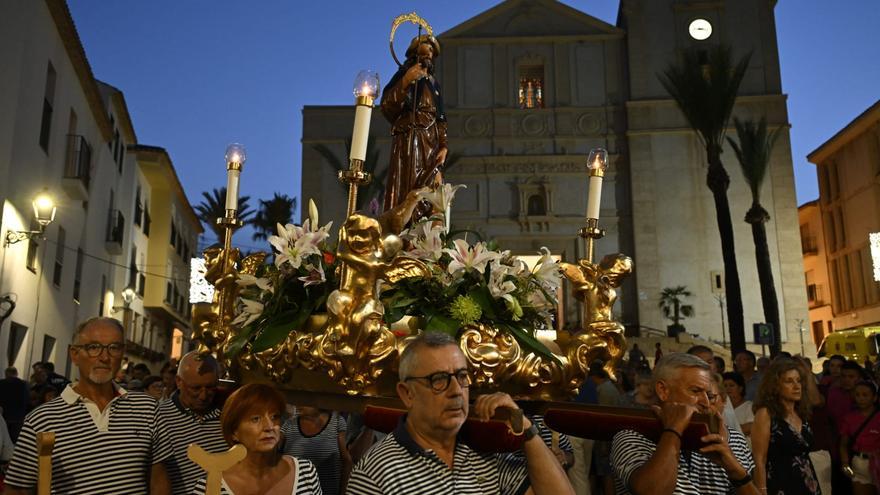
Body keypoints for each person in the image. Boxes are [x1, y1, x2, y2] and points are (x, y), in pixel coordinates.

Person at [347, 331, 573, 494]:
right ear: (407, 394)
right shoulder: (376, 473)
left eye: (462, 376)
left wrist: (523, 425)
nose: (456, 391)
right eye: (439, 380)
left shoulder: (484, 457)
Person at [4, 317, 171, 494]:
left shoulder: (147, 409)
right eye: (93, 347)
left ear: (122, 355)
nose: (105, 357)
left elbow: (159, 481)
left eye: (114, 348)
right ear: (74, 354)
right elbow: (17, 490)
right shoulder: (40, 420)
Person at [610, 353, 756, 494]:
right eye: (695, 391)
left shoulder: (727, 439)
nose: (705, 402)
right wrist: (674, 430)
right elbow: (652, 491)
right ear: (663, 391)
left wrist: (736, 472)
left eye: (709, 395)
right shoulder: (631, 437)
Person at [191, 383, 322, 494]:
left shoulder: (306, 472)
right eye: (256, 419)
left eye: (274, 417)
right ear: (234, 432)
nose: (269, 427)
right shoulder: (209, 487)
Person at [381, 34, 448, 212]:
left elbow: (441, 118)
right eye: (425, 51)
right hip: (409, 141)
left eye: (432, 52)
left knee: (430, 189)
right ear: (414, 53)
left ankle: (427, 232)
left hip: (430, 143)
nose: (429, 55)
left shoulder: (434, 85)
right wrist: (406, 81)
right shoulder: (404, 75)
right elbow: (388, 105)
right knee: (408, 187)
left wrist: (443, 145)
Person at [154, 351, 227, 494]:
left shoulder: (228, 416)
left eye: (210, 387)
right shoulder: (158, 418)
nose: (203, 395)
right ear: (179, 382)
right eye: (196, 388)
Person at [752, 357, 822, 494]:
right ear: (775, 386)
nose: (796, 386)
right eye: (789, 381)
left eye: (798, 381)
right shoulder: (766, 413)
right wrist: (761, 491)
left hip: (808, 484)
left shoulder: (801, 412)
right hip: (780, 485)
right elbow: (759, 459)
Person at [281, 407, 352, 495]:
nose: (298, 404)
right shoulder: (290, 423)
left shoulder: (336, 421)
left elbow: (346, 461)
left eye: (305, 398)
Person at [687, 345, 741, 432]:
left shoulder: (720, 388)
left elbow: (733, 423)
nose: (706, 365)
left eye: (709, 361)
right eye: (700, 361)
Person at [840, 381, 880, 494]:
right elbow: (843, 444)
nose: (861, 398)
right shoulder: (849, 418)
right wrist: (845, 463)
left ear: (874, 397)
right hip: (859, 463)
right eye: (857, 395)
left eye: (865, 395)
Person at [0, 367, 29, 441]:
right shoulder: (24, 384)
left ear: (6, 373)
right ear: (16, 373)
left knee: (3, 438)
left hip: (4, 416)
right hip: (18, 417)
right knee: (15, 440)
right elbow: (26, 400)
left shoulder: (1, 383)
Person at [722, 372, 754, 437]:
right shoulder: (722, 406)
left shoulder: (749, 406)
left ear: (740, 388)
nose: (728, 388)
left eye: (731, 385)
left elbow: (750, 427)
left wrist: (726, 431)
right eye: (725, 386)